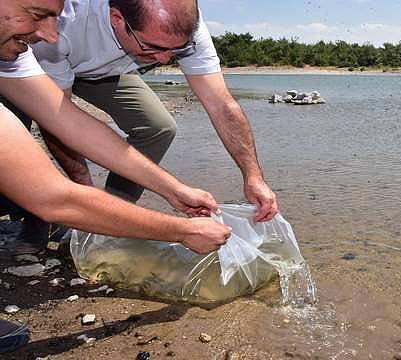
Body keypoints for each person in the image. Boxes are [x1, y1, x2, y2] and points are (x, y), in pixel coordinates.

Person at [0, 0, 229, 353]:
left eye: (53, 16)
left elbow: (70, 122)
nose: (49, 33)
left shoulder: (12, 54)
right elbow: (50, 197)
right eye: (36, 15)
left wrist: (173, 189)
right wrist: (181, 231)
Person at [25, 0, 278, 222]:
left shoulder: (186, 30)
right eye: (153, 47)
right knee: (20, 132)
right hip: (41, 68)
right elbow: (58, 121)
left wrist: (253, 175)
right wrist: (85, 191)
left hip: (109, 73)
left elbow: (221, 104)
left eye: (176, 50)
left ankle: (117, 212)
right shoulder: (63, 24)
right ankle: (45, 210)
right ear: (117, 19)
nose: (165, 60)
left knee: (158, 126)